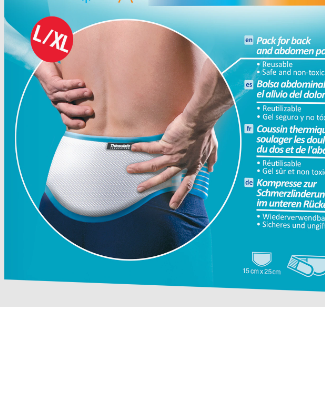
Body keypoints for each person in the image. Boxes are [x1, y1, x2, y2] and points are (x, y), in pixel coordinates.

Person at [34, 21, 233, 259]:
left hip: (62, 186)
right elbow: (249, 44)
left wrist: (37, 62)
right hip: (157, 191)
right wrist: (197, 121)